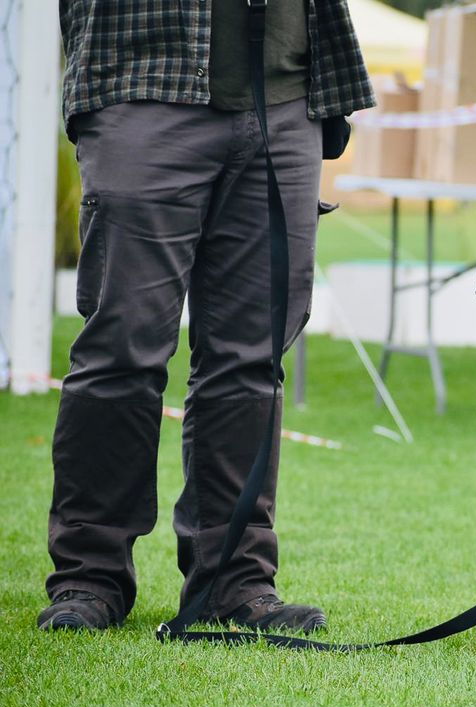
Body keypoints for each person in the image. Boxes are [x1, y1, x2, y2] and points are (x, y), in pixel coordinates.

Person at [38, 0, 374, 633]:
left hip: (287, 93)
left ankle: (237, 581)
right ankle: (89, 579)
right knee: (122, 352)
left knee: (252, 361)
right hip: (142, 78)